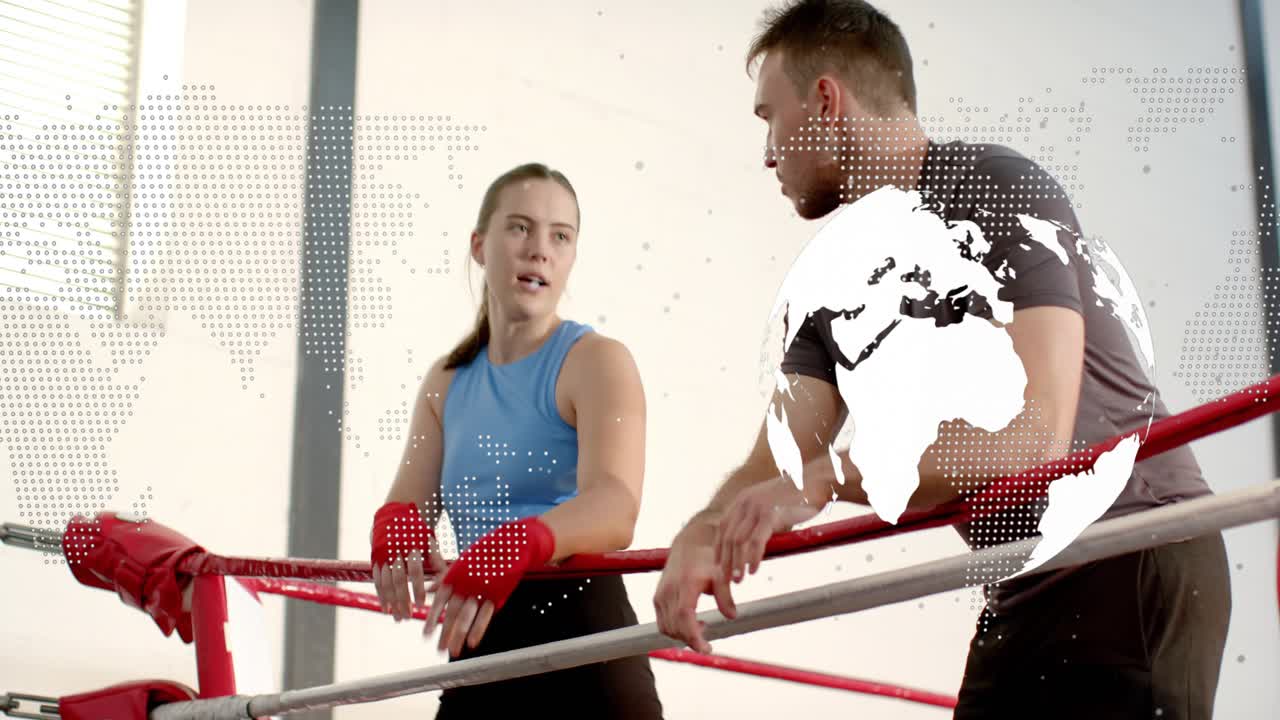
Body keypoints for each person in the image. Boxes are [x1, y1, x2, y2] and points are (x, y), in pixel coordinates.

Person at [653, 2, 1231, 718]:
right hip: (1022, 585)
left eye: (770, 118)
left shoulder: (991, 189)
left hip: (1131, 546)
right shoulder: (832, 289)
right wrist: (703, 531)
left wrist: (829, 477)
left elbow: (1031, 438)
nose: (767, 153)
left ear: (826, 99)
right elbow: (777, 463)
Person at [370, 162, 664, 718]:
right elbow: (409, 500)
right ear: (479, 246)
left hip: (584, 635)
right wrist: (396, 525)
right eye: (520, 228)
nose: (539, 251)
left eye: (560, 236)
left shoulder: (596, 361)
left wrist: (517, 543)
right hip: (481, 636)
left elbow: (616, 505)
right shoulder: (447, 381)